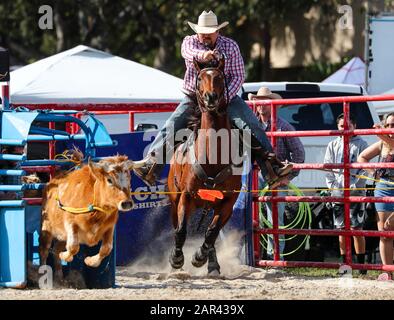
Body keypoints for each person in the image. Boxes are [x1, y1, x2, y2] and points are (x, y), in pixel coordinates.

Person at [133, 10, 292, 188]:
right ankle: (151, 165)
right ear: (198, 32)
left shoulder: (230, 46)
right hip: (195, 98)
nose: (206, 37)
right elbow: (187, 51)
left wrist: (223, 98)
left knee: (251, 125)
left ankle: (272, 169)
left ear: (217, 32)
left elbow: (238, 76)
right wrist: (203, 56)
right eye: (203, 33)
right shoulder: (190, 41)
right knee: (173, 123)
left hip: (227, 98)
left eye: (209, 33)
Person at [248, 87, 305, 259]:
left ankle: (275, 258)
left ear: (273, 104)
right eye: (258, 101)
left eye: (264, 101)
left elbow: (299, 155)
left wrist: (287, 177)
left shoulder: (283, 127)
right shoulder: (252, 125)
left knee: (275, 220)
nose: (260, 105)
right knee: (251, 217)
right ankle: (256, 255)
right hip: (255, 177)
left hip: (275, 177)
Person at [324, 114, 368, 274]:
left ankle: (361, 266)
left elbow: (365, 169)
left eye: (347, 125)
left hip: (356, 193)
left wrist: (356, 187)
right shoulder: (333, 145)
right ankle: (345, 266)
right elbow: (328, 168)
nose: (344, 128)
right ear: (337, 126)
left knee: (357, 229)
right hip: (338, 193)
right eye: (341, 125)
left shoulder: (362, 144)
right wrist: (333, 188)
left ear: (354, 125)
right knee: (341, 230)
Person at [358, 112, 394, 280]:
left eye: (393, 125)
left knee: (390, 227)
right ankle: (387, 272)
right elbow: (362, 157)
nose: (391, 128)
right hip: (384, 187)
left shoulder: (386, 141)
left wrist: (381, 134)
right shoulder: (382, 144)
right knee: (385, 232)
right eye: (388, 125)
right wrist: (373, 173)